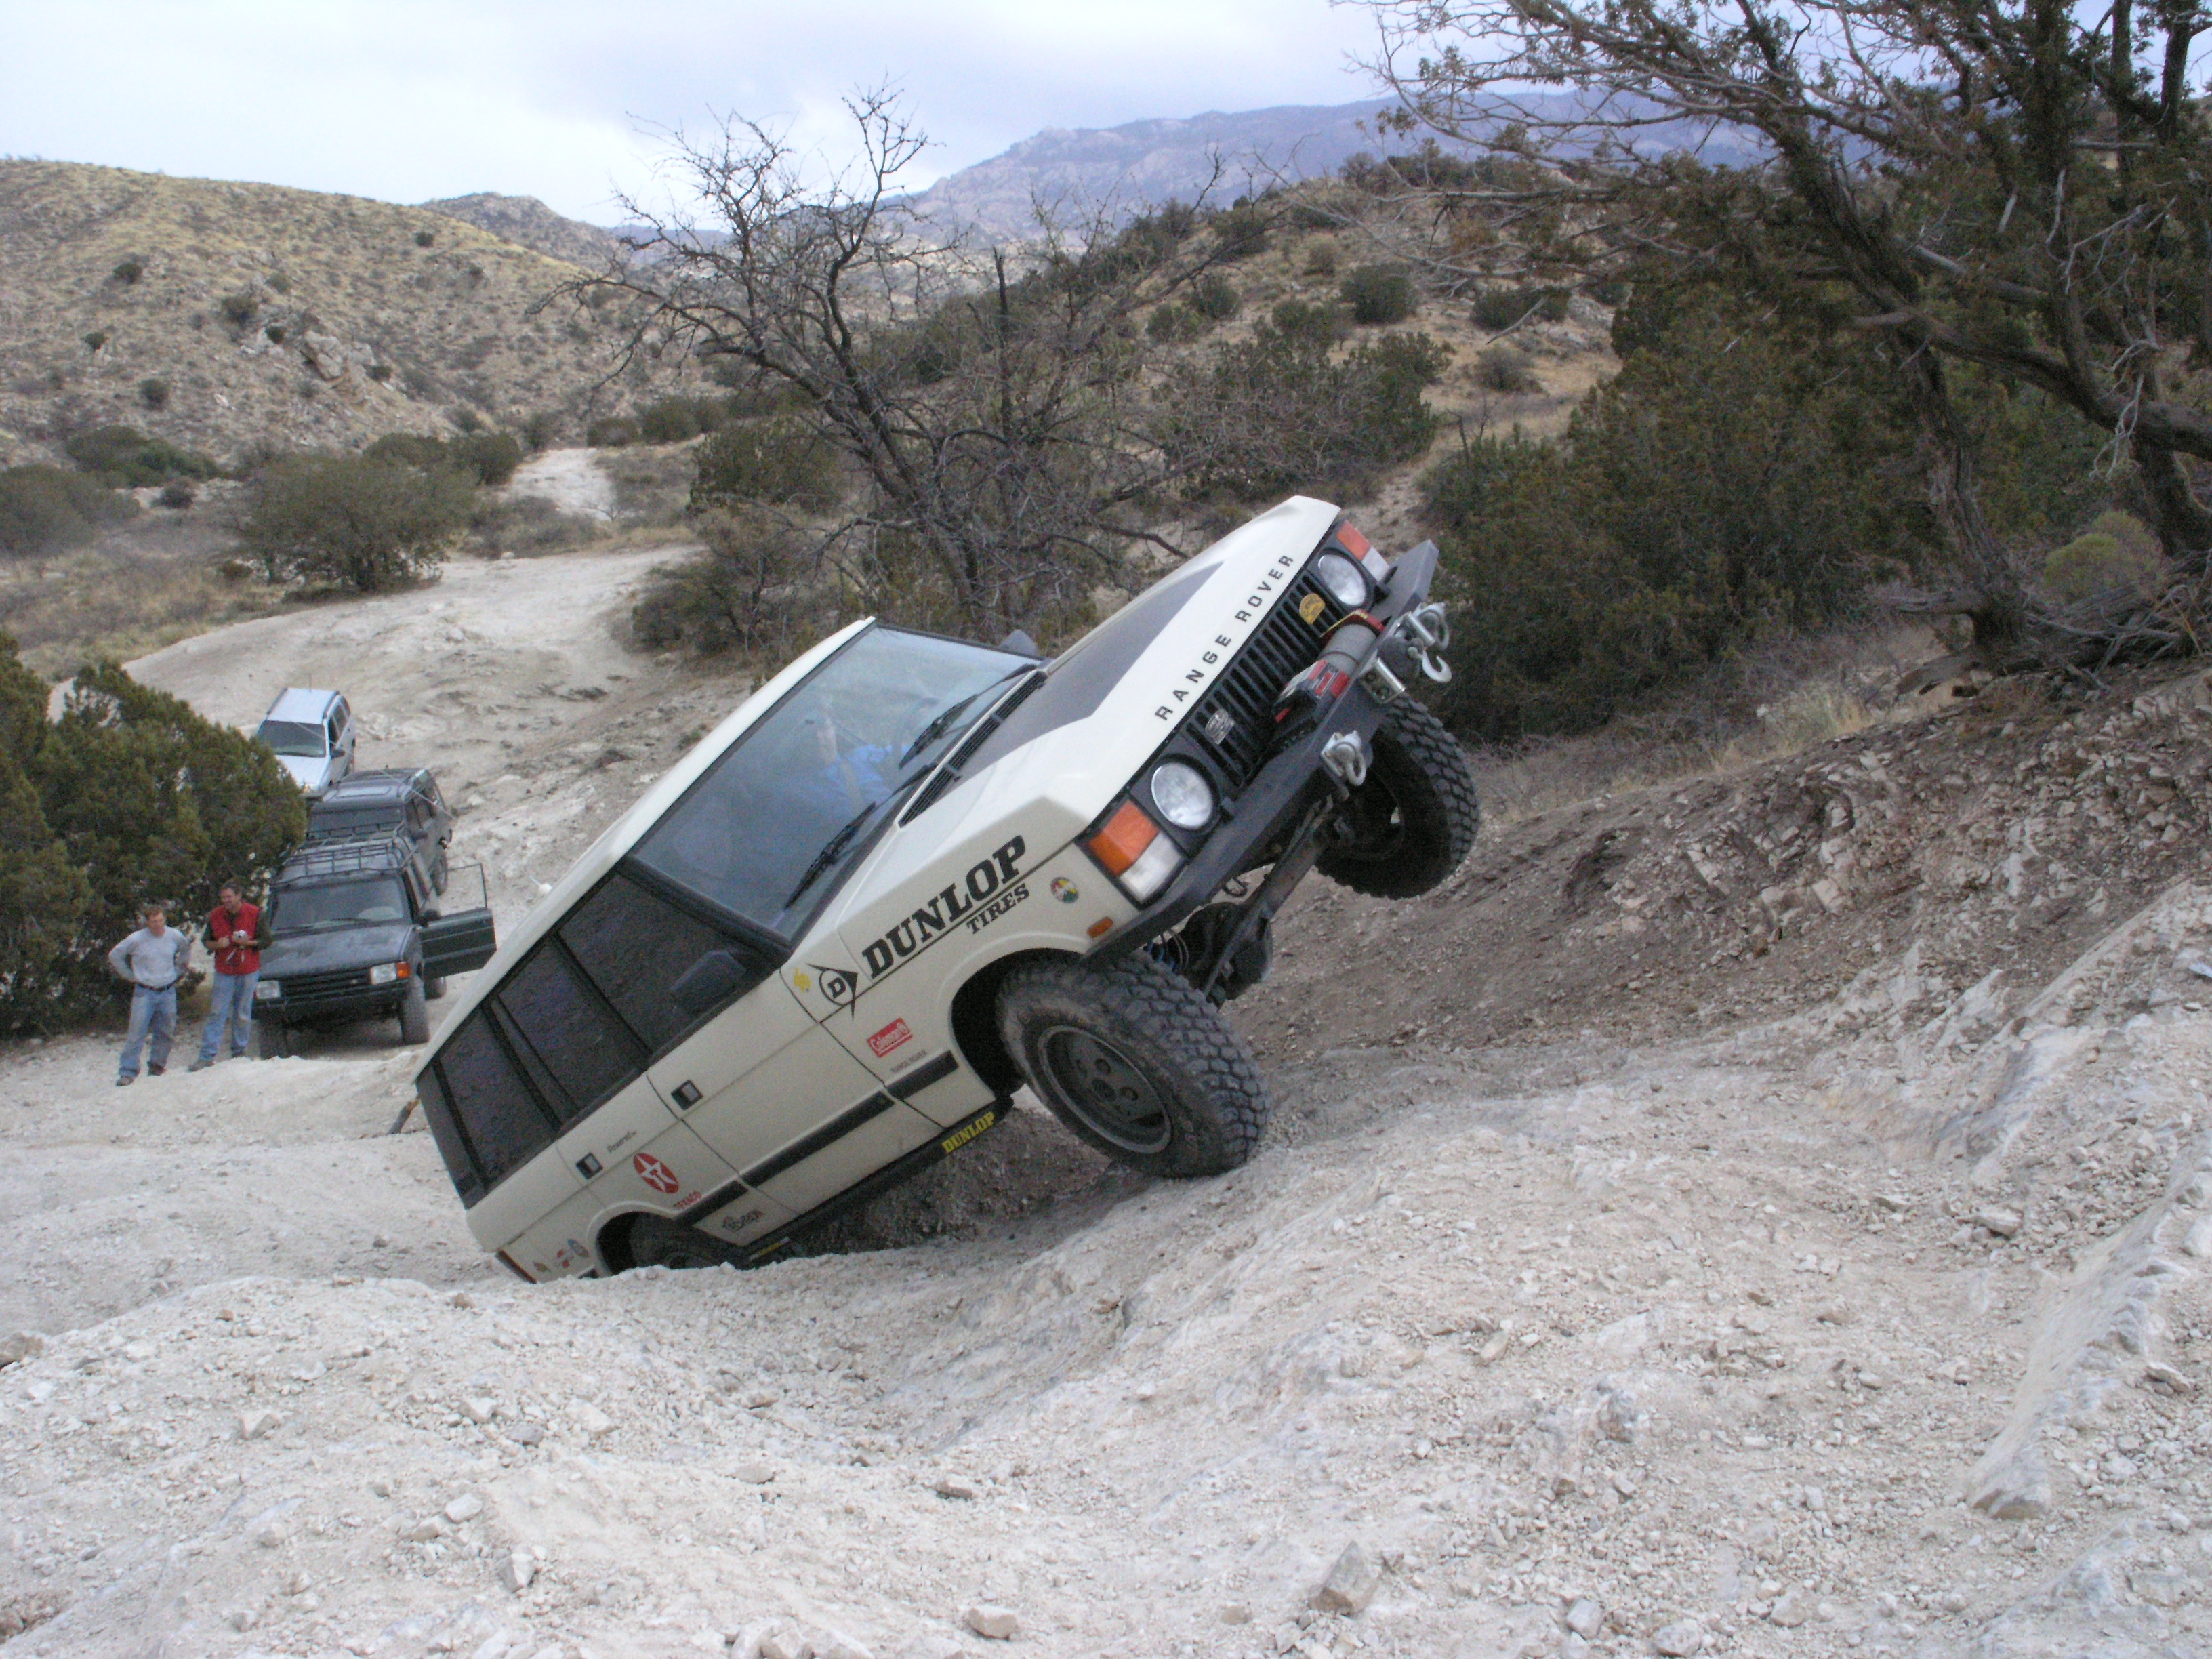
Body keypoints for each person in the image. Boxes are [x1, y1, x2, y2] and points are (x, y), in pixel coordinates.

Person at [109, 901, 192, 1087]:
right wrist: (129, 975)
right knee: (137, 1032)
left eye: (161, 920)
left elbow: (186, 948)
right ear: (147, 922)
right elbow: (115, 955)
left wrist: (179, 970)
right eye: (154, 921)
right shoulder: (137, 939)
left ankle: (157, 1065)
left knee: (166, 1031)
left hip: (167, 990)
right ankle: (128, 1072)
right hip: (145, 991)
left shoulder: (174, 935)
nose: (158, 925)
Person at [189, 880, 262, 1071]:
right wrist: (217, 945)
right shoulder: (216, 915)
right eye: (223, 898)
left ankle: (239, 1052)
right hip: (225, 970)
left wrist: (248, 943)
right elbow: (206, 941)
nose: (226, 901)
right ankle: (207, 1056)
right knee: (217, 1012)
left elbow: (267, 940)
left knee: (243, 1012)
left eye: (229, 897)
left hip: (248, 969)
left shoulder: (255, 913)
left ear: (239, 896)